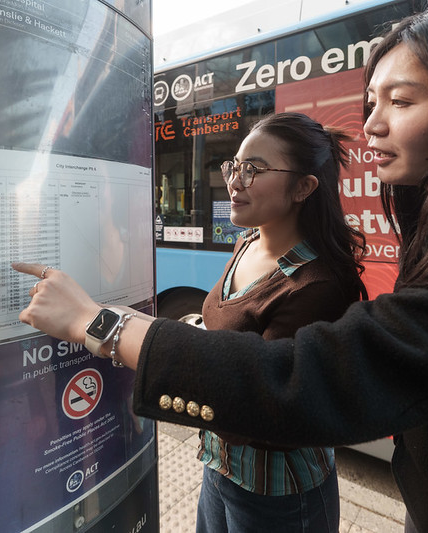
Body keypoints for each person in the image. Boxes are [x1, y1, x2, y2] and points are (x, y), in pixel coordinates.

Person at [13, 1, 428, 531]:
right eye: (370, 101)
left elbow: (316, 379)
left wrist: (103, 325)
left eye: (400, 101)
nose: (371, 124)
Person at [24, 112, 368, 532]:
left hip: (280, 495)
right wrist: (119, 315)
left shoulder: (318, 285)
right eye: (234, 166)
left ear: (303, 187)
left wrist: (99, 326)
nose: (234, 181)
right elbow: (220, 333)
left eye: (254, 169)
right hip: (219, 468)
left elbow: (253, 402)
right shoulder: (248, 242)